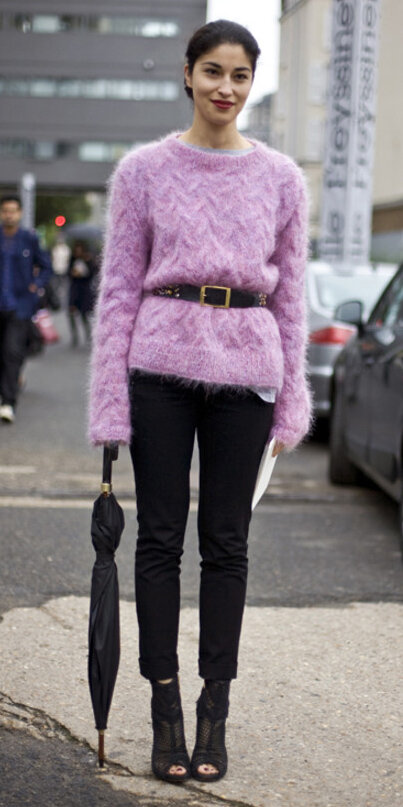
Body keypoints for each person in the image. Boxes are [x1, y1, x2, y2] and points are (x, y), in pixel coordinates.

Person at [89, 19, 311, 784]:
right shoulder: (143, 170)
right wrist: (108, 405)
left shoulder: (281, 177)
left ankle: (215, 709)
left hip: (247, 367)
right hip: (158, 364)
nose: (225, 87)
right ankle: (164, 709)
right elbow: (118, 288)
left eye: (240, 75)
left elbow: (292, 300)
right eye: (212, 71)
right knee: (158, 540)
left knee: (227, 544)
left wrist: (292, 403)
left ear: (251, 84)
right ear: (187, 74)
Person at [0, 194, 52, 423]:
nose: (9, 215)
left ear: (19, 213)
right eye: (5, 210)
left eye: (13, 210)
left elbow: (46, 266)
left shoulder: (28, 239)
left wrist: (36, 286)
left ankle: (8, 402)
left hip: (20, 306)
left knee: (12, 352)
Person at [67, 241, 96, 346]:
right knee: (71, 314)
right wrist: (73, 273)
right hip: (74, 291)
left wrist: (87, 265)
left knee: (84, 314)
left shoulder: (88, 259)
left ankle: (88, 335)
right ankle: (74, 336)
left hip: (84, 291)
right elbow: (68, 273)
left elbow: (92, 273)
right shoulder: (72, 260)